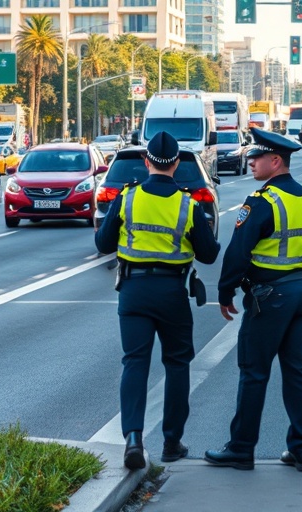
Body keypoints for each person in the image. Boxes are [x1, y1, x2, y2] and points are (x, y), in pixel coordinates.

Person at [204, 128, 302, 472]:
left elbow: (238, 252)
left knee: (254, 373)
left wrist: (224, 291)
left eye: (256, 158)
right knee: (298, 373)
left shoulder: (262, 201)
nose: (251, 162)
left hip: (270, 297)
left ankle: (241, 449)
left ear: (276, 161)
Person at [94, 131, 220, 470]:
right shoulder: (187, 204)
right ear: (177, 164)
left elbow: (103, 244)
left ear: (147, 162)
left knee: (134, 362)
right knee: (177, 364)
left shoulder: (127, 199)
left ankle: (133, 438)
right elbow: (208, 256)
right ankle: (171, 441)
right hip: (172, 293)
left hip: (134, 291)